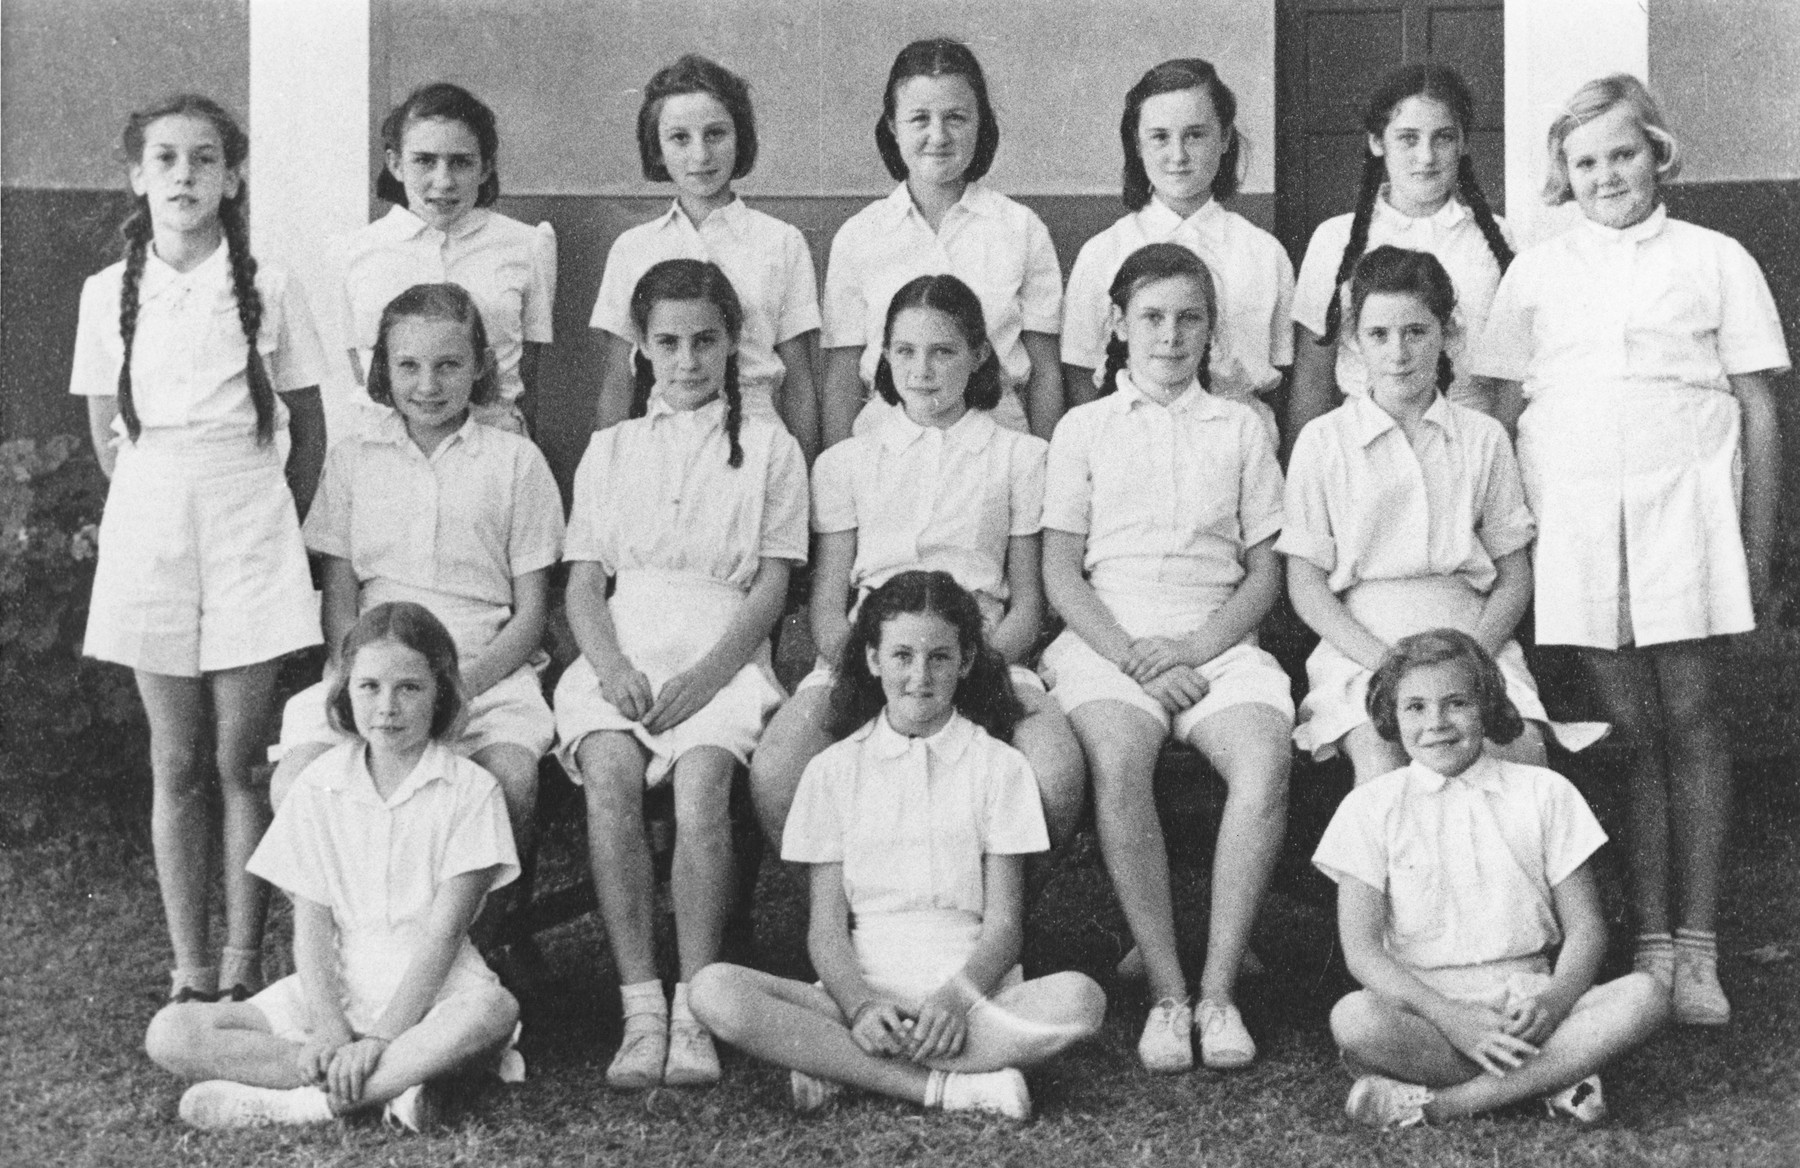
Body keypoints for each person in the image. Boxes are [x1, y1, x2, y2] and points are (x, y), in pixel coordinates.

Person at [1474, 75, 1788, 1026]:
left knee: (1692, 715)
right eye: (1585, 161)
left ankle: (1698, 945)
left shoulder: (1716, 257)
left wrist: (1759, 541)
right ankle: (1649, 942)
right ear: (1562, 176)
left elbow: (1760, 411)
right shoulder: (1535, 270)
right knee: (1626, 730)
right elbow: (1498, 411)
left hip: (1685, 515)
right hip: (1573, 522)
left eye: (1623, 153)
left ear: (1658, 153)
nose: (1607, 174)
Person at [69, 93, 327, 1005]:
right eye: (167, 159)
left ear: (232, 175)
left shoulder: (271, 282)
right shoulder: (108, 293)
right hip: (153, 523)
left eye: (205, 159)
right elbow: (110, 434)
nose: (185, 175)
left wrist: (266, 520)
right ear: (138, 175)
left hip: (249, 516)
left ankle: (245, 962)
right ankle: (191, 965)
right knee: (175, 761)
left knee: (238, 758)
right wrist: (157, 512)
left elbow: (311, 423)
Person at [691, 571, 1105, 1121]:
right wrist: (860, 1006)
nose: (919, 675)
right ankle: (950, 1088)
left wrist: (957, 1000)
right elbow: (826, 929)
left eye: (939, 657)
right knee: (712, 989)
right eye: (902, 655)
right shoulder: (831, 771)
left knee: (1082, 1000)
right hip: (858, 997)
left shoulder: (1000, 767)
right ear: (871, 659)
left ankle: (846, 1068)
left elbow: (1005, 925)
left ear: (966, 662)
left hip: (973, 1000)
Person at [554, 259, 808, 1089]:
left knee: (702, 793)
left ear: (733, 344)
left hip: (721, 649)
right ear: (643, 349)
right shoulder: (610, 448)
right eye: (668, 342)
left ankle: (696, 1006)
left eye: (705, 340)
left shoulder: (772, 448)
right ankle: (641, 1005)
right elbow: (585, 584)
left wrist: (707, 676)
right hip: (625, 647)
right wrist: (613, 667)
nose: (688, 359)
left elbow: (772, 583)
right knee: (610, 779)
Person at [1040, 243, 1292, 1073]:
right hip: (1109, 641)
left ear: (1211, 330)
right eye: (1151, 317)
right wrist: (1135, 656)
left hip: (1214, 638)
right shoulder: (1084, 429)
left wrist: (1195, 648)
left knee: (1261, 761)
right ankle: (1166, 992)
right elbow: (1059, 570)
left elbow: (1265, 572)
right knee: (1118, 759)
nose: (1170, 335)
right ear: (1117, 323)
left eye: (1189, 319)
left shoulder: (1243, 428)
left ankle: (1217, 992)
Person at [144, 602, 523, 1133]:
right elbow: (312, 921)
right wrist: (328, 1028)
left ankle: (308, 1105)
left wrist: (380, 1038)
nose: (387, 706)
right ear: (345, 690)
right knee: (170, 1032)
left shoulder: (471, 791)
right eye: (369, 686)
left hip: (435, 990)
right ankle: (394, 1087)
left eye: (409, 688)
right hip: (337, 987)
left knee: (494, 1011)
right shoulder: (319, 785)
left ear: (441, 692)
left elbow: (445, 933)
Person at [752, 274, 1084, 852]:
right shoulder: (845, 463)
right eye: (904, 351)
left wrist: (972, 668)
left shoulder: (1022, 457)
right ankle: (844, 919)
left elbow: (1028, 604)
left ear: (979, 355)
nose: (922, 371)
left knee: (1055, 773)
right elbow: (829, 605)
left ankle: (997, 920)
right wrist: (869, 666)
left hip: (984, 652)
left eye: (943, 351)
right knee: (777, 771)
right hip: (868, 653)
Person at [268, 284, 564, 914]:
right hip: (371, 670)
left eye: (448, 364)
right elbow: (341, 594)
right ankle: (353, 940)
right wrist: (355, 672)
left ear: (481, 367)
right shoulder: (354, 460)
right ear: (383, 369)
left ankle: (479, 948)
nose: (427, 384)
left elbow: (534, 612)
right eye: (409, 366)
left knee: (507, 781)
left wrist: (464, 684)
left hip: (486, 671)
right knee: (300, 779)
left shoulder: (516, 461)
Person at [1315, 629, 1669, 1129]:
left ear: (1486, 705)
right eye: (1415, 707)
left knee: (1645, 995)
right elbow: (1363, 952)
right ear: (1392, 715)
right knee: (1354, 1019)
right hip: (1429, 1010)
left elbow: (1586, 928)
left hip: (1531, 1006)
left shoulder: (1544, 792)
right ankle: (1559, 1077)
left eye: (1455, 702)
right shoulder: (1369, 807)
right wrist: (1450, 1018)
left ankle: (1441, 1105)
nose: (1436, 723)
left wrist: (1554, 1000)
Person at [1282, 246, 1604, 785]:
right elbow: (1306, 586)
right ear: (1355, 342)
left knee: (1518, 754)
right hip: (1363, 645)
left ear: (1446, 333)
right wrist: (1390, 664)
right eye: (1379, 335)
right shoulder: (1324, 441)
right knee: (1384, 762)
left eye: (1416, 331)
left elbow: (1514, 573)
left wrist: (1471, 656)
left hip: (1473, 636)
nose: (1399, 352)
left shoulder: (1483, 437)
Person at [820, 37, 1063, 445]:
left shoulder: (1021, 229)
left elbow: (1045, 372)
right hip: (886, 439)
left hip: (997, 437)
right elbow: (842, 376)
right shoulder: (860, 235)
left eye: (956, 117)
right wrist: (835, 472)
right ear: (893, 127)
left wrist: (1046, 470)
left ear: (981, 123)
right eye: (919, 119)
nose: (939, 136)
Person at [590, 54, 822, 459]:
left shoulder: (781, 242)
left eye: (715, 134)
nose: (701, 155)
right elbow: (617, 383)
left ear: (741, 138)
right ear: (657, 148)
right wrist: (603, 474)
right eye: (680, 138)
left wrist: (804, 488)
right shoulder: (633, 248)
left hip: (756, 442)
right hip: (658, 443)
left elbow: (799, 385)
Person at [1061, 58, 1294, 444]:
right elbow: (1080, 374)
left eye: (1196, 135)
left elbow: (1281, 379)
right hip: (1131, 446)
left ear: (1224, 140)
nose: (1178, 155)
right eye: (1159, 136)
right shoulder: (1103, 252)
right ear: (1136, 144)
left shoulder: (1264, 254)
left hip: (1235, 448)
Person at [1289, 64, 1513, 440]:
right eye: (1408, 138)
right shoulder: (1334, 239)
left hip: (1469, 440)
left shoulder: (1499, 239)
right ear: (1378, 142)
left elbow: (1512, 374)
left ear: (1463, 143)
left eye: (1442, 138)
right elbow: (1313, 378)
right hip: (1361, 440)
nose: (1426, 156)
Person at [338, 82, 556, 434]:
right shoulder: (355, 252)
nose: (443, 181)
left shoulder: (527, 245)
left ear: (485, 168)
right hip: (386, 449)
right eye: (424, 160)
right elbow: (365, 371)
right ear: (395, 163)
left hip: (491, 445)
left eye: (461, 162)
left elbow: (526, 374)